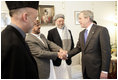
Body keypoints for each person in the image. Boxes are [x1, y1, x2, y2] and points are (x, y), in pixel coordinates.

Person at [68, 10, 111, 79]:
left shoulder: (101, 30)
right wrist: (67, 54)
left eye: (80, 18)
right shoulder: (81, 33)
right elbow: (78, 48)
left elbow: (106, 52)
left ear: (87, 18)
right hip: (85, 69)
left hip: (97, 69)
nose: (79, 21)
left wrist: (105, 71)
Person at [1, 1, 39, 79]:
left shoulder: (10, 36)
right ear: (25, 17)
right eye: (35, 18)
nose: (35, 22)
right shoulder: (14, 44)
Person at [47, 14, 74, 79]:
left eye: (62, 21)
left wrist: (67, 54)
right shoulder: (51, 32)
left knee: (68, 76)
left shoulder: (68, 31)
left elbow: (72, 44)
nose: (61, 23)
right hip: (57, 59)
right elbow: (49, 46)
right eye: (59, 21)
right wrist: (60, 54)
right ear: (55, 21)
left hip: (67, 58)